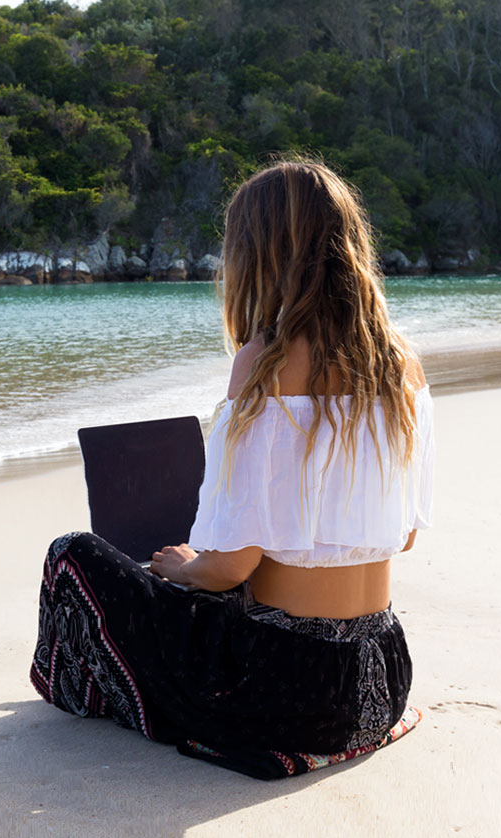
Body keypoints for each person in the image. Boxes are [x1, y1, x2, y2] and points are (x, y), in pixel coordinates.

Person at [30, 159, 434, 779]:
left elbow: (234, 567)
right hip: (381, 673)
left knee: (72, 556)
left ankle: (97, 687)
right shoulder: (400, 363)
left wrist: (194, 569)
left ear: (260, 257)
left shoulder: (264, 363)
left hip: (287, 689)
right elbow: (401, 534)